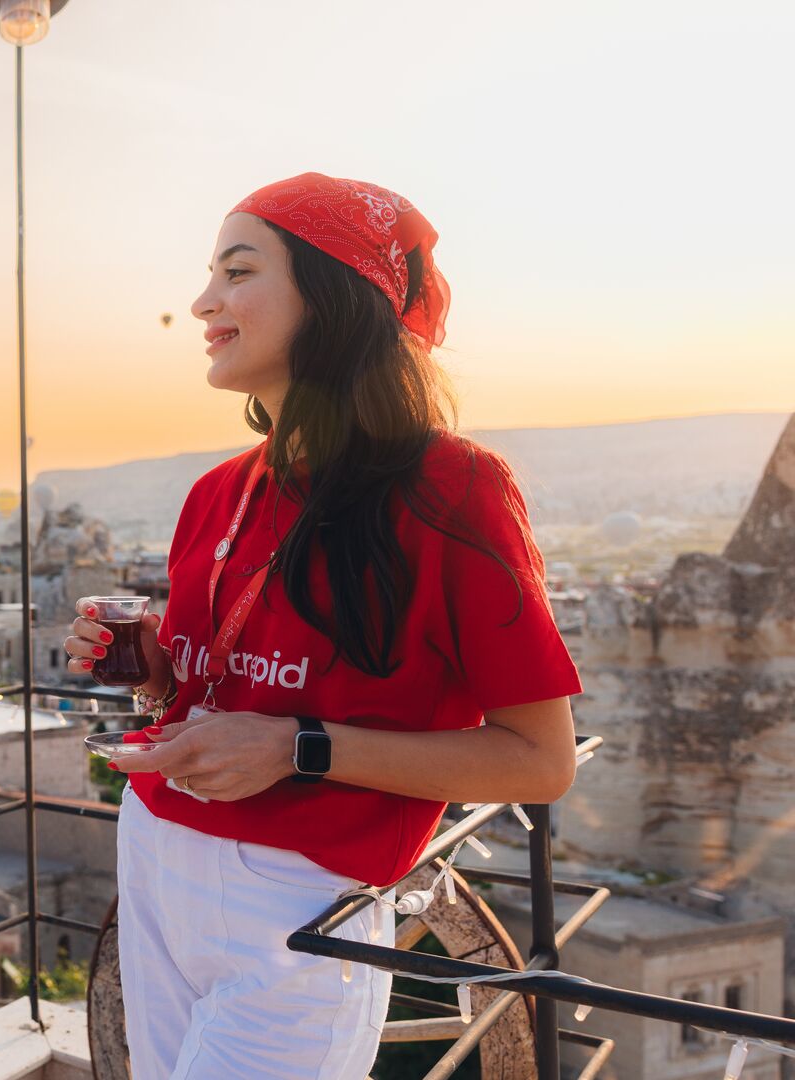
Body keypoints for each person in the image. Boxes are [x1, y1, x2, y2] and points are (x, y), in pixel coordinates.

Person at [65, 174, 582, 1079]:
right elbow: (213, 688)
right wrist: (151, 669)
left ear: (334, 296)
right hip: (152, 855)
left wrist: (297, 747)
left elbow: (540, 762)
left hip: (299, 900)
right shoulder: (217, 490)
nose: (204, 302)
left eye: (238, 272)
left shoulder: (451, 490)